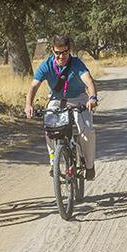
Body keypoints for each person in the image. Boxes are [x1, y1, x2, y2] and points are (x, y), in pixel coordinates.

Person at [24, 35, 98, 180]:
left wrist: (92, 97)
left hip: (78, 99)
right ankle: (54, 163)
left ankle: (89, 166)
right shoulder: (46, 65)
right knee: (49, 128)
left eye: (65, 52)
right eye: (57, 53)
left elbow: (89, 81)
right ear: (52, 51)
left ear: (69, 50)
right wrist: (28, 105)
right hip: (57, 100)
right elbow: (33, 86)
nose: (61, 56)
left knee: (87, 130)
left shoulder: (76, 63)